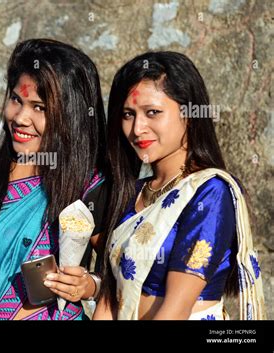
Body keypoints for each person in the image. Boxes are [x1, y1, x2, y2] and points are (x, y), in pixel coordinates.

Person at [0, 39, 109, 320]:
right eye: (16, 100)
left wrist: (90, 286)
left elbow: (124, 278)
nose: (22, 117)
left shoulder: (90, 188)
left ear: (71, 115)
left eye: (40, 107)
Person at [94, 51, 265, 320]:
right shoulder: (131, 193)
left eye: (153, 113)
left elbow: (175, 309)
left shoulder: (209, 192)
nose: (138, 128)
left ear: (190, 114)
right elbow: (109, 297)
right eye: (128, 114)